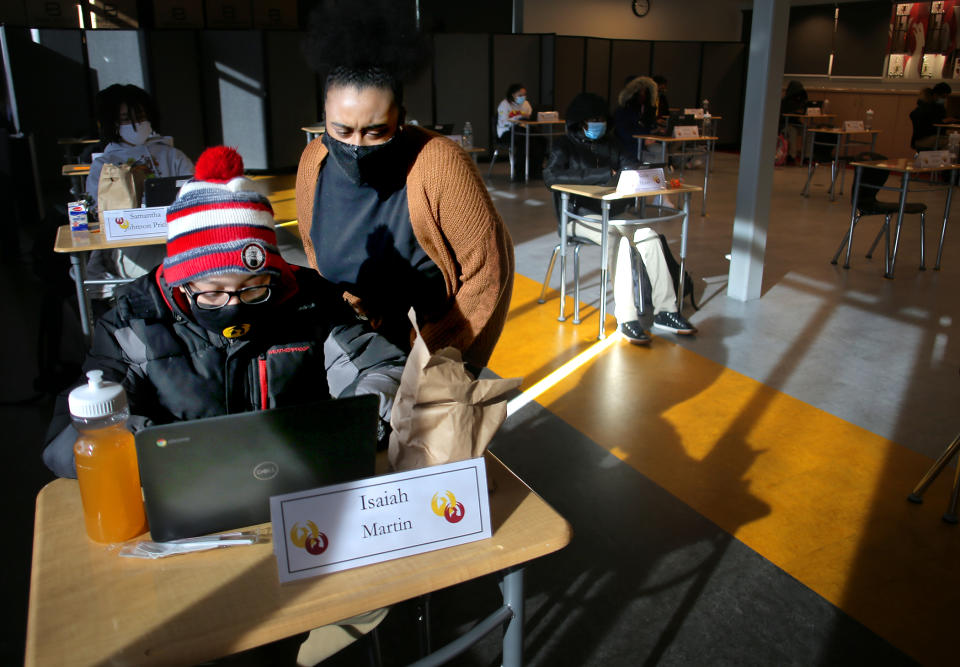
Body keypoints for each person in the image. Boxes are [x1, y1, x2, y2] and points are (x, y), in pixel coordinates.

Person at [44, 146, 405, 477]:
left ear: (274, 273)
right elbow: (66, 442)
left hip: (302, 481)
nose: (233, 305)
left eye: (253, 289)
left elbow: (382, 368)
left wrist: (355, 420)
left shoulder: (308, 302)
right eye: (213, 294)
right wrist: (162, 450)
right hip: (188, 491)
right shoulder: (133, 324)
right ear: (181, 282)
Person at [297, 7, 514, 372]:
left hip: (442, 334)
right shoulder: (312, 163)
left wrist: (436, 365)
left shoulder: (440, 164)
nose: (357, 146)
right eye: (342, 131)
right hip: (358, 337)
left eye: (375, 131)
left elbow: (488, 273)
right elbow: (313, 249)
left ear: (401, 117)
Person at [544, 92, 697, 345]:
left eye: (601, 119)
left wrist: (644, 172)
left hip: (613, 213)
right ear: (579, 121)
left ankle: (666, 311)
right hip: (577, 215)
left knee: (649, 236)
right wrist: (605, 173)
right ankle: (627, 318)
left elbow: (632, 165)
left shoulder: (613, 143)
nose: (598, 124)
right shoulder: (564, 145)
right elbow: (552, 177)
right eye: (593, 119)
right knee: (618, 240)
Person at [85, 84, 195, 291]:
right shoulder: (105, 164)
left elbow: (199, 188)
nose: (136, 124)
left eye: (141, 117)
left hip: (175, 236)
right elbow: (95, 210)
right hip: (133, 246)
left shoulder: (171, 155)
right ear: (114, 123)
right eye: (127, 119)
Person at [496, 82, 540, 180]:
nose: (523, 97)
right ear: (513, 95)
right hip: (507, 132)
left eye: (524, 95)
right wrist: (519, 117)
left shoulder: (526, 104)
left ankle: (535, 171)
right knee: (523, 141)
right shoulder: (504, 104)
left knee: (540, 140)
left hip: (524, 129)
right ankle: (519, 172)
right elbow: (504, 121)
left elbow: (530, 117)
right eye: (520, 95)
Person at [613, 76, 661, 163]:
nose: (643, 94)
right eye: (641, 91)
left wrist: (656, 131)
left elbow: (648, 127)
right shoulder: (623, 110)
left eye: (646, 91)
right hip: (630, 146)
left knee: (660, 150)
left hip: (644, 143)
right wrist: (643, 141)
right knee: (656, 157)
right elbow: (623, 132)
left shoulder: (647, 110)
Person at [910, 82, 952, 149]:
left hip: (928, 138)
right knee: (953, 142)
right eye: (943, 97)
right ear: (935, 95)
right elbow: (929, 124)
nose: (945, 99)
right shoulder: (927, 107)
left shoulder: (929, 106)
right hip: (925, 138)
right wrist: (943, 121)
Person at [779, 80, 808, 162]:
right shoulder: (784, 102)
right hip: (784, 125)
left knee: (808, 131)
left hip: (796, 124)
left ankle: (807, 156)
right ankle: (792, 156)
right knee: (793, 132)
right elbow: (783, 116)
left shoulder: (801, 101)